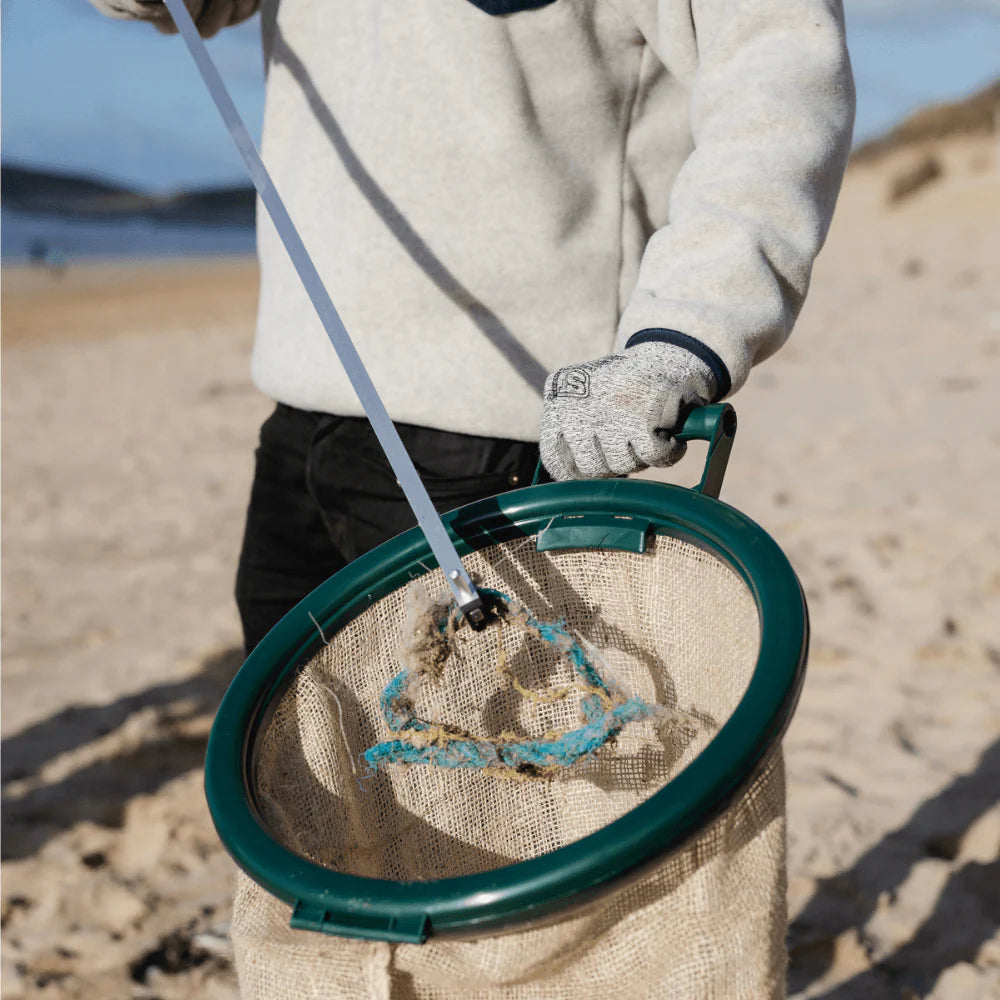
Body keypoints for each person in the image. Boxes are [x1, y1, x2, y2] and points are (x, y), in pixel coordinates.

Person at [91, 0, 855, 655]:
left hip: (506, 445)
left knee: (513, 806)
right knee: (311, 799)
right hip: (301, 414)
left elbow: (777, 74)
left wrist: (682, 334)